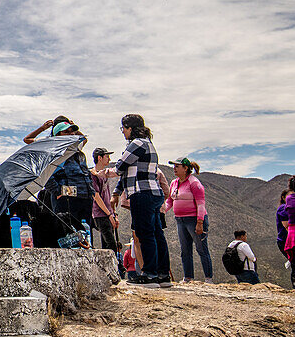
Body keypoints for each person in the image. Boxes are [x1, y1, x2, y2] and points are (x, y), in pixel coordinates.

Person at [110, 114, 170, 288]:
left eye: (124, 128)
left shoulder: (136, 144)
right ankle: (163, 274)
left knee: (145, 234)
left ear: (130, 128)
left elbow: (121, 167)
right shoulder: (149, 144)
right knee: (158, 234)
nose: (123, 132)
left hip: (141, 192)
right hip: (154, 193)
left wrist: (103, 173)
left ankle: (149, 274)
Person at [24, 118, 92, 246]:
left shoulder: (76, 146)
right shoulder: (50, 147)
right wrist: (57, 190)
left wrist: (73, 128)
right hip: (66, 194)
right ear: (57, 133)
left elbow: (84, 138)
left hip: (85, 192)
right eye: (66, 131)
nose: (71, 134)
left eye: (72, 131)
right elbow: (46, 174)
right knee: (66, 231)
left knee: (85, 231)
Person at [166, 157, 212, 282]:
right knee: (185, 250)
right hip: (180, 220)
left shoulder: (194, 183)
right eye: (174, 166)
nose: (174, 168)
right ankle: (188, 277)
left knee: (201, 249)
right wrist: (161, 210)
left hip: (194, 219)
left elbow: (201, 204)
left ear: (185, 168)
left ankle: (208, 278)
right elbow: (170, 201)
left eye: (177, 166)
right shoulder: (174, 183)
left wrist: (200, 222)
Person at [89, 148, 121, 253]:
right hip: (100, 214)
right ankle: (117, 267)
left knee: (108, 245)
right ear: (99, 158)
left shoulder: (103, 175)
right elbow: (96, 196)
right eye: (106, 156)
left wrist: (113, 213)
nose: (109, 159)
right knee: (110, 245)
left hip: (108, 213)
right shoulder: (93, 175)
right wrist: (108, 214)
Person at [276, 189, 290, 257]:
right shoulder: (283, 207)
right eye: (289, 196)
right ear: (283, 197)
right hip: (285, 240)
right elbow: (287, 226)